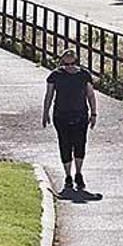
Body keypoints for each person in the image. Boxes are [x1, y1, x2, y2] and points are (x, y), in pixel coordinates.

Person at [42, 48, 98, 190]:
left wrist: (94, 113)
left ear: (77, 62)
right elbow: (49, 95)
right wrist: (45, 112)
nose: (70, 67)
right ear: (62, 63)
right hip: (61, 115)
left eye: (72, 63)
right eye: (67, 64)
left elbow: (90, 95)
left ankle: (78, 173)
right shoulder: (55, 75)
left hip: (80, 115)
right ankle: (67, 175)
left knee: (80, 144)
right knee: (65, 144)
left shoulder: (84, 75)